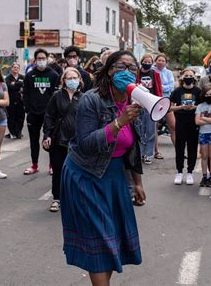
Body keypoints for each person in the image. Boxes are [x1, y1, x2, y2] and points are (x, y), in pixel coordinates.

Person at [61, 50, 145, 284]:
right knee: (99, 239)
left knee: (111, 240)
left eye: (132, 68)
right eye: (121, 66)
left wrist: (137, 182)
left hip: (115, 176)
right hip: (86, 175)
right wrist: (118, 123)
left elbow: (133, 145)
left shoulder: (134, 100)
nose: (126, 72)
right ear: (109, 70)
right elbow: (86, 144)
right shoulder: (91, 99)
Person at [42, 67, 83, 212]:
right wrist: (47, 135)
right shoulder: (57, 96)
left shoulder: (83, 97)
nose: (72, 81)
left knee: (76, 171)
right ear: (64, 81)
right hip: (59, 139)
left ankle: (74, 198)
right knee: (58, 170)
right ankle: (56, 198)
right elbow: (49, 116)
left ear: (79, 80)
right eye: (69, 78)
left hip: (77, 142)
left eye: (75, 78)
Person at [23, 48, 59, 176]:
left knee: (50, 140)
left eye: (44, 58)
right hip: (33, 114)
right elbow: (25, 94)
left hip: (49, 115)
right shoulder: (30, 75)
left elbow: (57, 94)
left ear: (47, 59)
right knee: (34, 141)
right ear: (35, 60)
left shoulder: (54, 75)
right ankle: (34, 165)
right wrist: (28, 109)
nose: (42, 61)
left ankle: (52, 166)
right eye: (39, 59)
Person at [170, 68, 200, 185]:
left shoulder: (198, 91)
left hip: (194, 122)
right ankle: (179, 172)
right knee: (179, 147)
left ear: (194, 77)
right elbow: (170, 107)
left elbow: (203, 106)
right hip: (180, 121)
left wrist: (195, 107)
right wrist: (181, 107)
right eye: (186, 75)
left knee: (192, 148)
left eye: (190, 75)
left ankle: (190, 173)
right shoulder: (177, 91)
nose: (188, 77)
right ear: (182, 78)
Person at [136, 54, 163, 165]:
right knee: (139, 129)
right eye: (145, 61)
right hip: (138, 103)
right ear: (141, 62)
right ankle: (140, 152)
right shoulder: (136, 73)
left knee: (151, 130)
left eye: (149, 62)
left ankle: (149, 153)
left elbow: (159, 89)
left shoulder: (155, 74)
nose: (147, 64)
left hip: (151, 104)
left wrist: (159, 103)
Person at [195, 84, 211, 187]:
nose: (209, 95)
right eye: (207, 94)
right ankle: (204, 176)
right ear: (203, 95)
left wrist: (204, 118)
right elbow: (197, 121)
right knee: (204, 156)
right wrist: (210, 120)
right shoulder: (200, 106)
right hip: (203, 134)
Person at [153, 53, 175, 158]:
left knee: (173, 126)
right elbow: (151, 86)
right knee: (154, 126)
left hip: (166, 101)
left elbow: (170, 87)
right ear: (155, 61)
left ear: (166, 63)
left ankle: (178, 150)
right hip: (154, 101)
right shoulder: (152, 71)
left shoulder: (169, 73)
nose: (161, 62)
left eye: (163, 61)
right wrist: (161, 87)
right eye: (159, 60)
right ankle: (156, 151)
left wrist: (158, 86)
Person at [5, 62, 25, 139]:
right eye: (14, 67)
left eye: (17, 67)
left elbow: (25, 87)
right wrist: (19, 84)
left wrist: (15, 84)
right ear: (11, 69)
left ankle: (18, 132)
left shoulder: (23, 77)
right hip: (11, 101)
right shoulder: (8, 78)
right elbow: (9, 87)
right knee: (11, 118)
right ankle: (12, 132)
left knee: (20, 117)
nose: (16, 68)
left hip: (21, 102)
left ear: (19, 69)